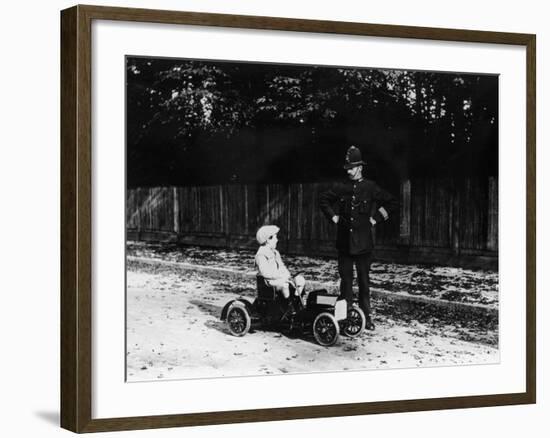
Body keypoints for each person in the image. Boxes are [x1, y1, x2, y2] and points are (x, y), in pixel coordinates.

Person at [319, 146, 398, 330]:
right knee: (346, 283)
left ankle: (366, 318)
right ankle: (345, 317)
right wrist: (334, 217)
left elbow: (392, 202)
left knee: (364, 282)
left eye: (352, 167)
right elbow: (324, 199)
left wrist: (375, 219)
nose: (349, 170)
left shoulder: (370, 187)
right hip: (344, 244)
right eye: (347, 167)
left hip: (363, 245)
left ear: (360, 167)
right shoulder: (342, 187)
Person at [254, 225, 306, 305]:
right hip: (269, 282)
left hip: (279, 278)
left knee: (300, 280)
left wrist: (288, 275)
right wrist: (282, 277)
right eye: (275, 238)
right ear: (268, 240)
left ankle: (295, 302)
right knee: (284, 285)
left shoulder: (275, 252)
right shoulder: (261, 255)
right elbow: (266, 273)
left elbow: (282, 266)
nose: (277, 240)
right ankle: (287, 305)